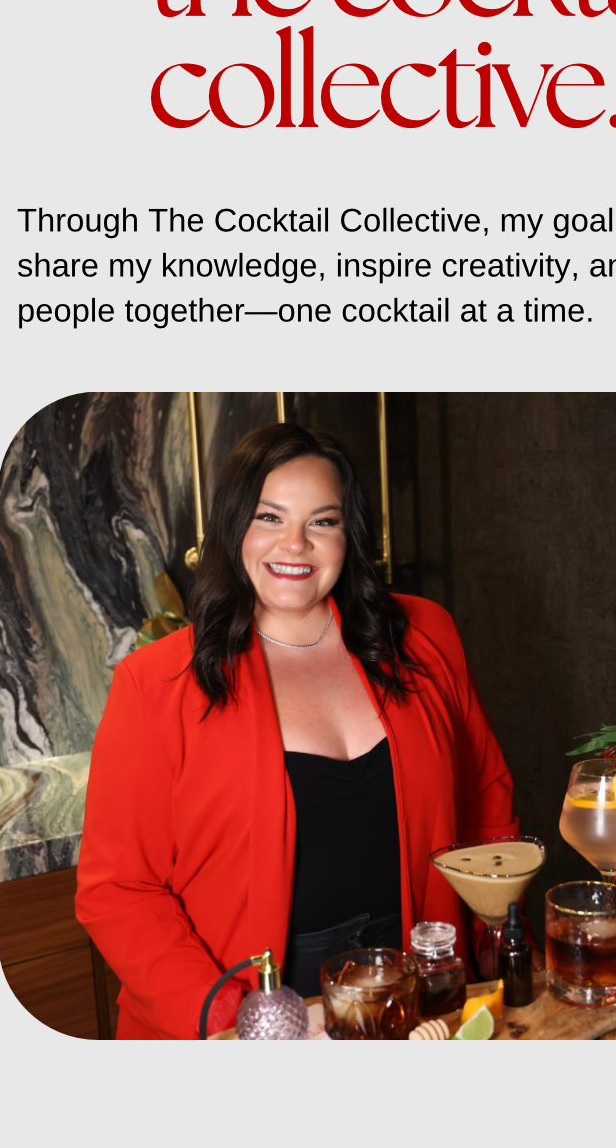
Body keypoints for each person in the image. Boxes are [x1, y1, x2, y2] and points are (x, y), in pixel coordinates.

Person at [75, 422, 522, 1039]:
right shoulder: (155, 683)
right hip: (255, 1024)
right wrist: (251, 1026)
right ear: (234, 529)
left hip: (419, 1012)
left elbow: (485, 800)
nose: (296, 545)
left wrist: (500, 958)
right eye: (269, 517)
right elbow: (119, 891)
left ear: (349, 533)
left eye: (323, 521)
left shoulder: (422, 635)